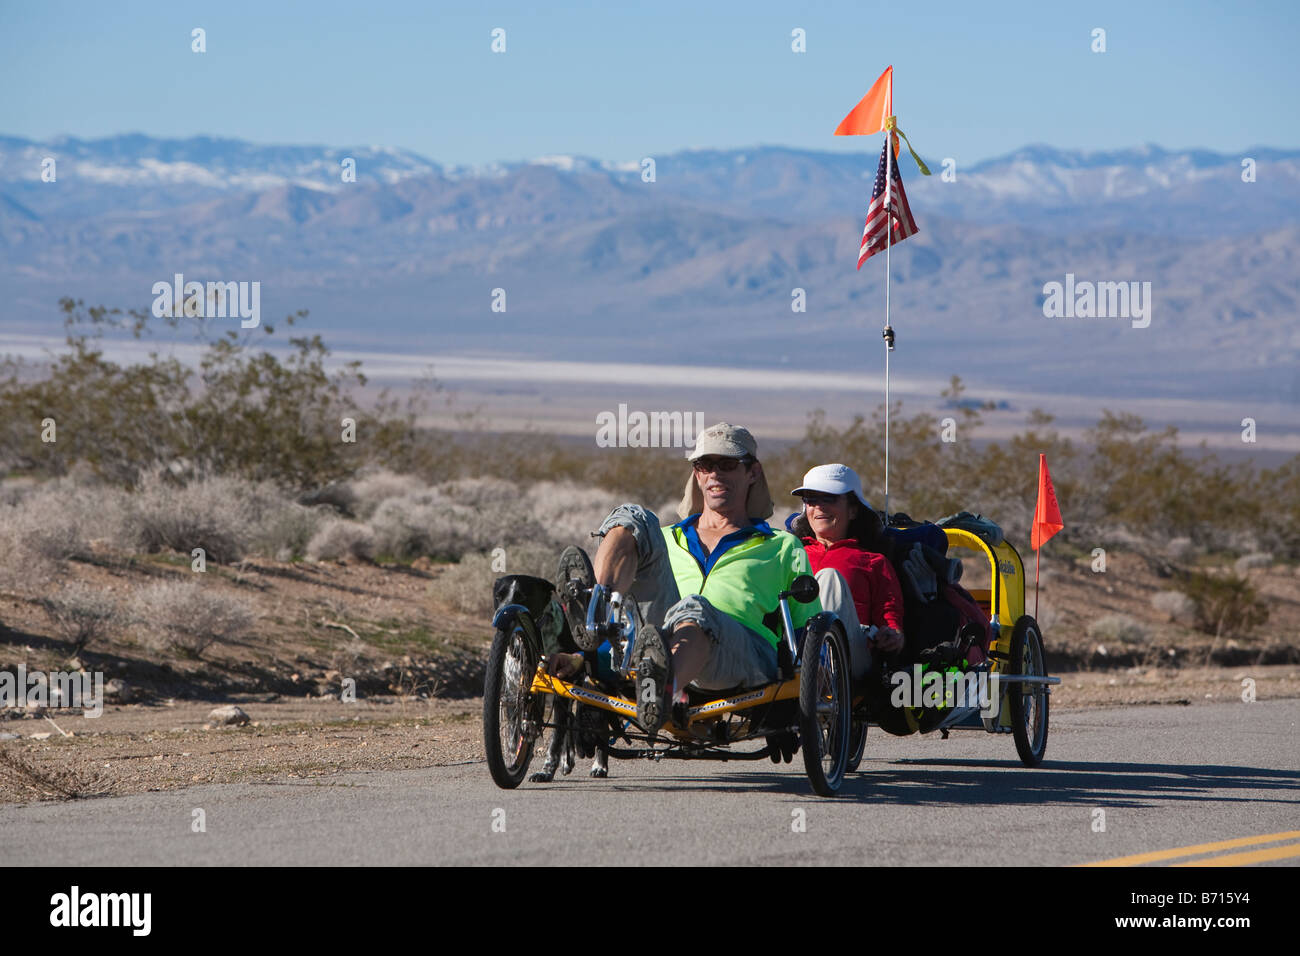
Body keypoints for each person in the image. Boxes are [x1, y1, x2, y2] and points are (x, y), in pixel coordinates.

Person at [551, 422, 820, 739]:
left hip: (741, 653)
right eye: (704, 465)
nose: (714, 474)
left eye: (728, 464)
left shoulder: (781, 546)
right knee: (634, 517)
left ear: (753, 473)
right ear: (697, 473)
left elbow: (809, 630)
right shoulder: (667, 539)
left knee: (695, 608)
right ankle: (596, 610)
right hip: (655, 643)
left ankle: (661, 691)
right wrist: (583, 659)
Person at [788, 463, 905, 679]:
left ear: (853, 510)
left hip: (849, 658)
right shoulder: (790, 554)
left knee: (829, 577)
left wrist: (892, 635)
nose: (819, 507)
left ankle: (820, 669)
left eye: (829, 498)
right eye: (812, 499)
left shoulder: (873, 562)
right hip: (792, 651)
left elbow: (889, 617)